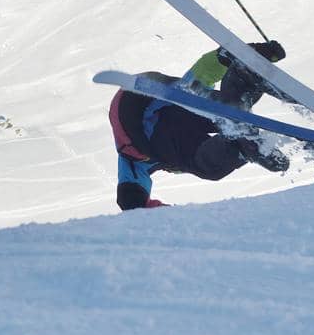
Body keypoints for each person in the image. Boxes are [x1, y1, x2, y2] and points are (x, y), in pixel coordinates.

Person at [110, 40, 292, 211]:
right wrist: (242, 56)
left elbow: (130, 200)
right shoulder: (179, 130)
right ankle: (243, 78)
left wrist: (165, 218)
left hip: (136, 114)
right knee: (224, 111)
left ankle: (241, 144)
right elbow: (195, 82)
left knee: (205, 164)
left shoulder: (137, 160)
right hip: (150, 98)